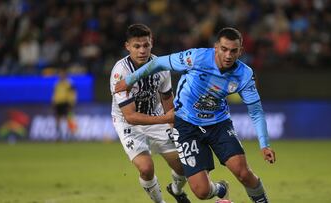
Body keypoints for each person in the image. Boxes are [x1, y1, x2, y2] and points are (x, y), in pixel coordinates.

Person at [115, 27, 276, 203]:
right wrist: (130, 79)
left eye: (233, 50)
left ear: (240, 51)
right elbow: (158, 63)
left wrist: (264, 144)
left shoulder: (244, 74)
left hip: (218, 124)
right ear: (216, 47)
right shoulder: (196, 57)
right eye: (224, 49)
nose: (228, 55)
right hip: (186, 125)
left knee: (243, 172)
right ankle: (220, 188)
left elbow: (256, 111)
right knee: (201, 191)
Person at [110, 24, 190, 203]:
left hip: (157, 117)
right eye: (137, 46)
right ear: (127, 47)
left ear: (151, 43)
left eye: (146, 45)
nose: (142, 50)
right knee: (146, 168)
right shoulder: (120, 72)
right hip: (127, 123)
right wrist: (165, 118)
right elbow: (130, 116)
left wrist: (176, 127)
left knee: (183, 166)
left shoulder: (160, 66)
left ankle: (176, 190)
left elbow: (168, 100)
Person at [52, 68, 77, 141]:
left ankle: (70, 135)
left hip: (66, 103)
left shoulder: (69, 84)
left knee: (68, 119)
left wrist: (71, 103)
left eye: (62, 74)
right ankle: (59, 135)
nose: (61, 75)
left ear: (65, 75)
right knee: (58, 120)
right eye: (60, 74)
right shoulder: (57, 84)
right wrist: (54, 102)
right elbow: (55, 94)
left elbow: (72, 94)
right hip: (58, 104)